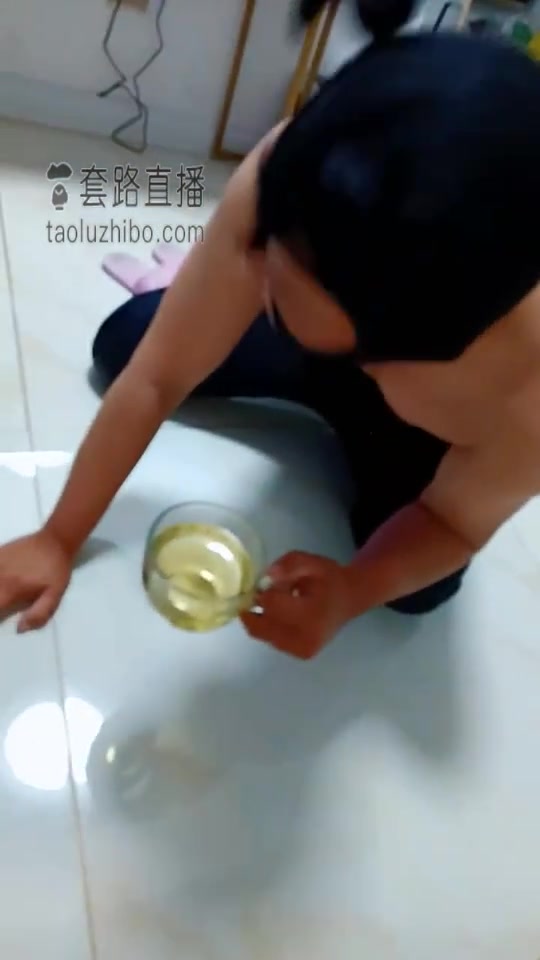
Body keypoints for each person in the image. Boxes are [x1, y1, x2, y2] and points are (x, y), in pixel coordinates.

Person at [1, 0, 540, 659]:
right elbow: (158, 374)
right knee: (124, 343)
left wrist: (353, 588)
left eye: (274, 284)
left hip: (409, 424)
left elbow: (454, 523)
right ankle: (237, 306)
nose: (258, 273)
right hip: (337, 344)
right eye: (266, 274)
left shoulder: (525, 397)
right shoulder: (297, 175)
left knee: (416, 592)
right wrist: (57, 537)